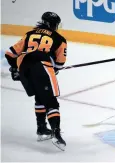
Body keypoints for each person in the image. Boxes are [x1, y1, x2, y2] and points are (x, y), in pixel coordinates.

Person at [5, 11, 67, 151]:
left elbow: (10, 54)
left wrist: (15, 68)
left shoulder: (29, 34)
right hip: (42, 67)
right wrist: (54, 68)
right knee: (51, 101)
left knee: (40, 97)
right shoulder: (59, 38)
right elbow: (59, 64)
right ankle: (56, 133)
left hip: (24, 68)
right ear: (53, 24)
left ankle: (42, 130)